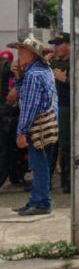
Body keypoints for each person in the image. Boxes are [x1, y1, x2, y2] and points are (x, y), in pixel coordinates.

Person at [8, 36, 58, 215]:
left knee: (39, 165)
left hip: (38, 126)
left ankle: (40, 202)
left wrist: (21, 132)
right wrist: (18, 75)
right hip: (48, 123)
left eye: (22, 52)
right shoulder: (44, 71)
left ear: (32, 55)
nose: (18, 55)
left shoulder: (34, 75)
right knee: (41, 164)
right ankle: (39, 200)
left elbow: (29, 106)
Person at [46, 33, 71, 192]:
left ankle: (67, 182)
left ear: (68, 44)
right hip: (52, 107)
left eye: (59, 44)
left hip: (66, 107)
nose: (56, 47)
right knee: (50, 144)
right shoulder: (52, 63)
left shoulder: (75, 62)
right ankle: (45, 181)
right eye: (55, 44)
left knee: (65, 146)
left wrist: (64, 80)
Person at [0, 49, 27, 189]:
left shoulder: (5, 66)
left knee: (5, 148)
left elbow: (21, 75)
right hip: (6, 111)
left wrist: (15, 87)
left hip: (6, 110)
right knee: (5, 148)